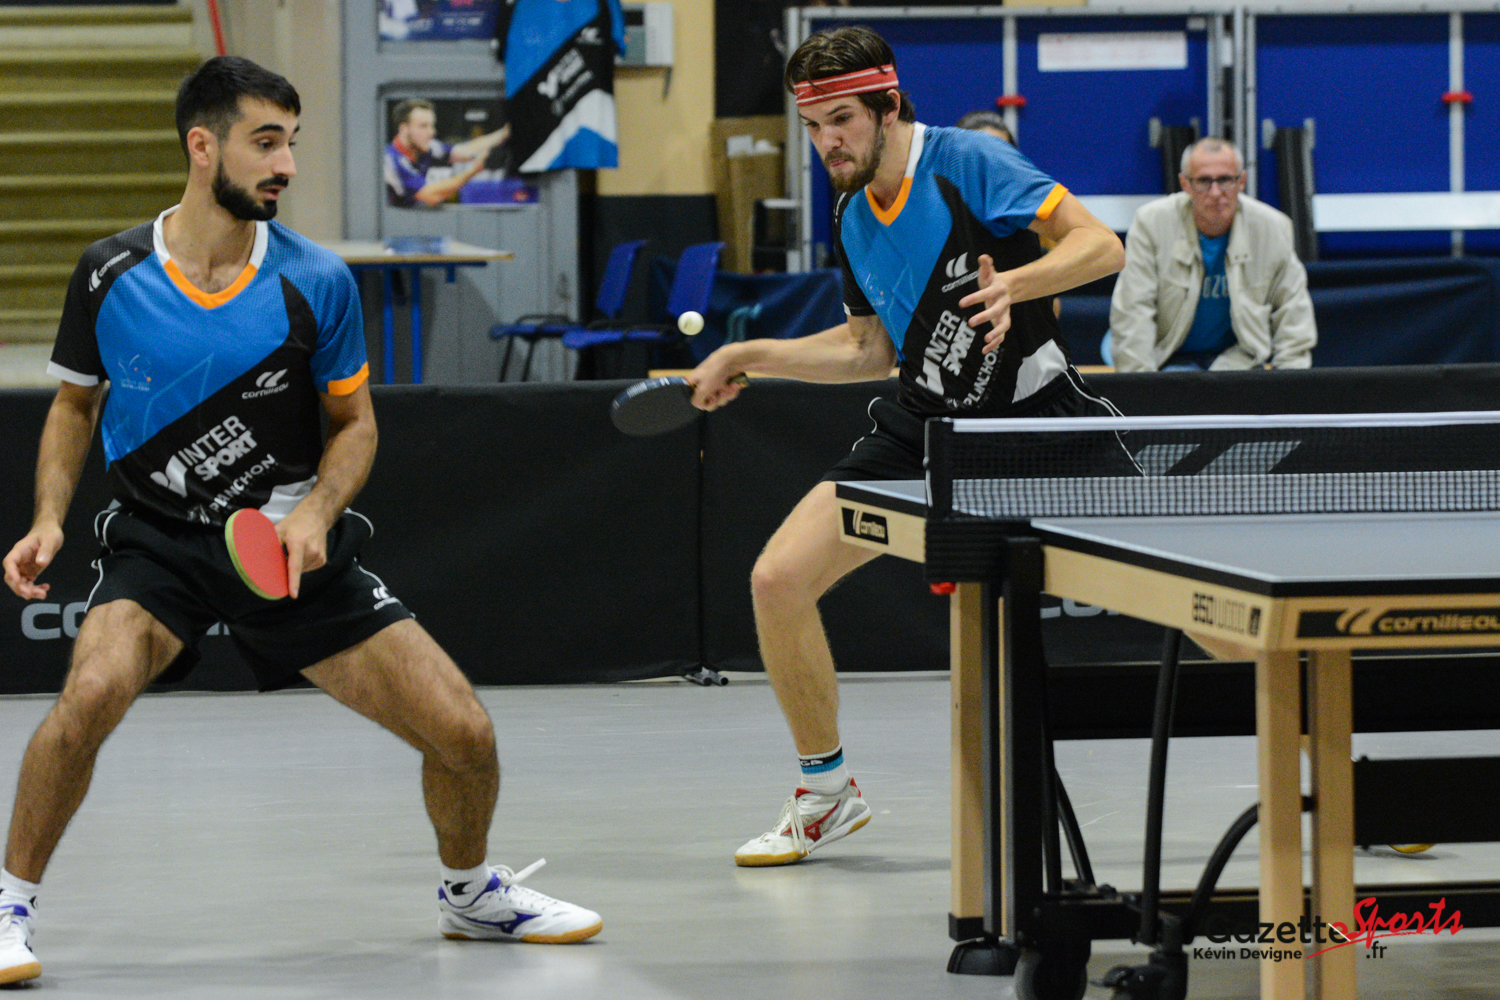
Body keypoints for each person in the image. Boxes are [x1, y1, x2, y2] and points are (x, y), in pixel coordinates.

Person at [0, 57, 599, 984]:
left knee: (465, 734)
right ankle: (9, 907)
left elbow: (355, 423)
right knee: (88, 699)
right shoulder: (110, 272)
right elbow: (76, 404)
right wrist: (48, 518)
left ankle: (471, 894)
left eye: (291, 143)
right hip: (161, 543)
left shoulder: (316, 279)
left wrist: (318, 510)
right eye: (266, 142)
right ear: (203, 147)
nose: (285, 164)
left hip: (288, 546)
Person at [687, 27, 1126, 867]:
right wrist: (751, 354)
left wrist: (1016, 283)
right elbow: (868, 350)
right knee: (779, 580)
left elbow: (1100, 246)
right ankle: (826, 795)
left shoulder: (966, 162)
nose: (827, 144)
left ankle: (1339, 765)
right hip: (925, 428)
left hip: (1036, 421)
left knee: (1207, 597)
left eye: (841, 121)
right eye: (813, 128)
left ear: (888, 107)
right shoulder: (852, 212)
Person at [1108, 137, 1316, 370]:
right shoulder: (1151, 223)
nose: (1215, 192)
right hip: (1167, 357)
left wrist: (1290, 384)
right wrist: (1141, 383)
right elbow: (1133, 312)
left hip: (1239, 360)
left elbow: (1293, 316)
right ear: (1185, 183)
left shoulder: (1272, 228)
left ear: (1241, 181)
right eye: (1204, 181)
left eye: (1225, 180)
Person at [384, 98, 511, 208]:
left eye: (432, 126)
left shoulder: (427, 146)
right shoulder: (390, 160)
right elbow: (431, 196)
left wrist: (504, 133)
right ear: (404, 129)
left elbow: (464, 151)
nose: (431, 132)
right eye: (423, 126)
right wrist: (475, 170)